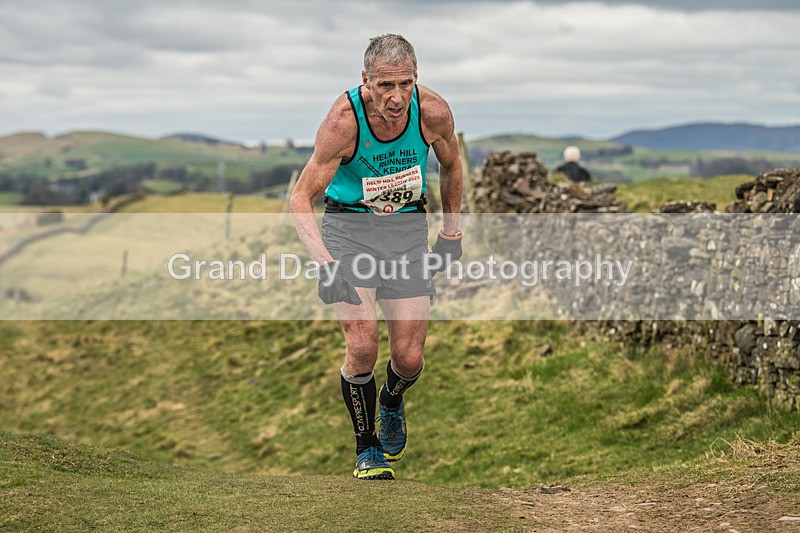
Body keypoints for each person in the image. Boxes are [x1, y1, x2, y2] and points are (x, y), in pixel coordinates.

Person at [289, 34, 463, 480]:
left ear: (416, 78)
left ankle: (390, 400)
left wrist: (451, 231)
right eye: (385, 86)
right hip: (349, 231)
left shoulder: (434, 112)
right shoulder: (343, 121)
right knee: (363, 343)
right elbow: (300, 199)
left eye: (405, 84)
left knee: (409, 359)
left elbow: (452, 165)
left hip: (405, 231)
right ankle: (366, 449)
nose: (396, 97)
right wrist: (324, 263)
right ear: (365, 80)